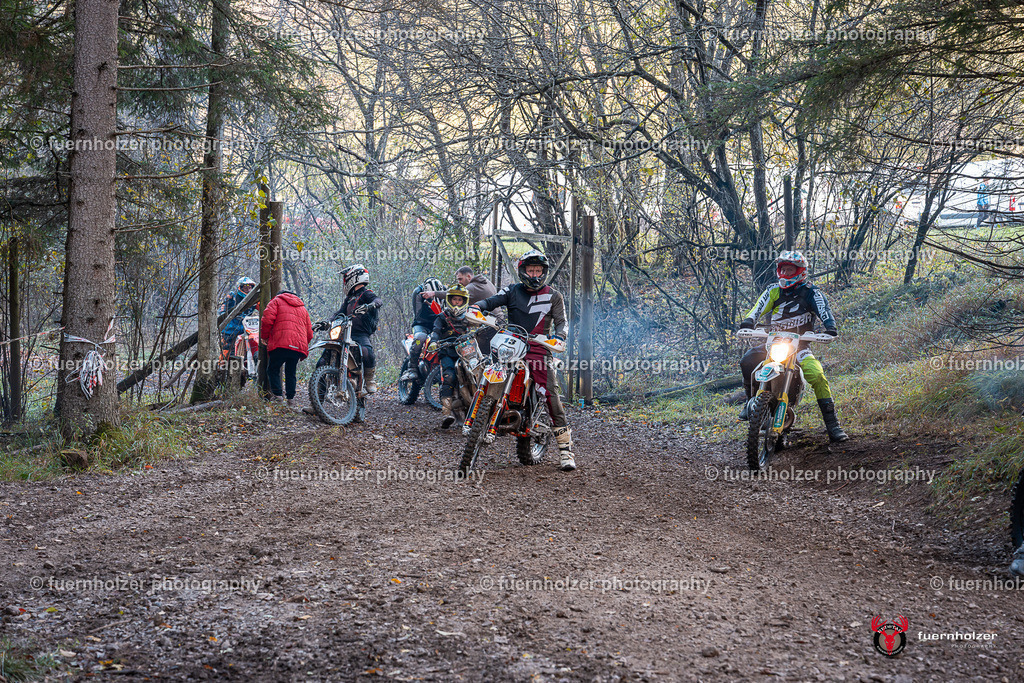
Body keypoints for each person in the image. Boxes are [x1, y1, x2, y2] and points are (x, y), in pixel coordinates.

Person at [471, 250, 576, 471]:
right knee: (485, 370)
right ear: (523, 271)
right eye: (531, 270)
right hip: (511, 344)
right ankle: (485, 414)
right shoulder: (512, 290)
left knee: (550, 393)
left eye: (538, 270)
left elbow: (562, 323)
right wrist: (477, 307)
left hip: (539, 349)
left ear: (544, 272)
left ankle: (566, 451)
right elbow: (492, 300)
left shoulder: (554, 296)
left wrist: (559, 337)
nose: (535, 274)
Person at [737, 251, 848, 442]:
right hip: (774, 344)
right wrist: (748, 321)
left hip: (800, 346)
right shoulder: (773, 290)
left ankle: (833, 426)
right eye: (783, 269)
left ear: (800, 271)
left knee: (817, 376)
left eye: (790, 269)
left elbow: (824, 310)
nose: (786, 273)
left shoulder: (812, 292)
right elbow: (758, 308)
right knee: (747, 360)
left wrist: (830, 327)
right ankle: (750, 403)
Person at [317, 264, 383, 394]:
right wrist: (327, 322)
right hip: (344, 332)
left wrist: (370, 306)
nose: (344, 282)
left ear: (354, 278)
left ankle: (370, 378)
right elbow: (338, 313)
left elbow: (378, 300)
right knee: (322, 361)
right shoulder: (349, 299)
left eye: (346, 279)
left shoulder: (366, 293)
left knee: (367, 350)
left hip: (360, 333)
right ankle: (317, 400)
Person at [260, 290, 313, 411]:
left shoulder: (276, 301)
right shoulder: (303, 309)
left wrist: (264, 336)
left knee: (273, 368)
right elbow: (309, 332)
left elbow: (267, 320)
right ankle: (291, 400)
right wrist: (302, 343)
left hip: (280, 343)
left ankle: (278, 397)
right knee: (291, 372)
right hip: (297, 347)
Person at [430, 284, 471, 428]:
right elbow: (435, 331)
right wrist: (434, 341)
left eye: (460, 300)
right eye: (454, 300)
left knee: (475, 374)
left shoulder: (469, 317)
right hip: (447, 351)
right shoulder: (442, 317)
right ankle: (446, 412)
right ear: (449, 300)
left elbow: (479, 328)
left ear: (464, 302)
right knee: (449, 376)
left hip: (466, 352)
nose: (457, 303)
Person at [400, 277, 444, 382]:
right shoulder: (418, 292)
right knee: (420, 338)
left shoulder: (444, 291)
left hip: (440, 322)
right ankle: (412, 368)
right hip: (421, 324)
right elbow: (418, 314)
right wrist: (430, 307)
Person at [455, 266, 497, 354]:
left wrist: (434, 293)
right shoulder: (486, 281)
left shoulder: (471, 287)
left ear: (469, 277)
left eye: (460, 279)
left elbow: (453, 295)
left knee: (479, 355)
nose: (459, 282)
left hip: (488, 326)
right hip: (498, 322)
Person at [220, 277, 257, 352]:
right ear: (241, 287)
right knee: (226, 348)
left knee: (247, 346)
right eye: (245, 287)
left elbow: (264, 309)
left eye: (250, 287)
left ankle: (248, 362)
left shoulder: (255, 298)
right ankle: (223, 362)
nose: (248, 289)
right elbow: (222, 310)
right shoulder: (233, 295)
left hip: (245, 327)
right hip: (230, 327)